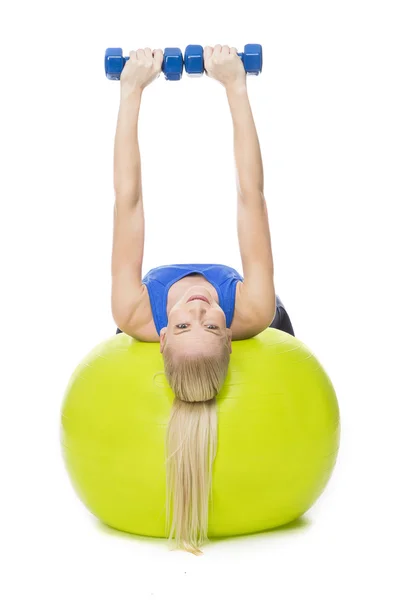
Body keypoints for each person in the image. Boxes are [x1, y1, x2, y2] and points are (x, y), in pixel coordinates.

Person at [111, 45, 295, 555]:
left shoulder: (134, 312)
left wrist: (132, 92)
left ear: (163, 336)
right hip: (267, 315)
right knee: (276, 314)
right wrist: (236, 86)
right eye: (211, 326)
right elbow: (250, 196)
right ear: (231, 338)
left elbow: (128, 199)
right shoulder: (253, 312)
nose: (196, 310)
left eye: (190, 325)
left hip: (144, 324)